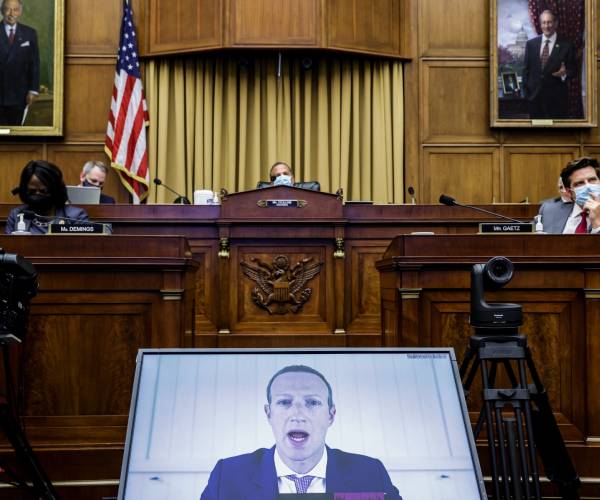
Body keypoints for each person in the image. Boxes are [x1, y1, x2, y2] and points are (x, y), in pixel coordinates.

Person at [200, 365, 402, 499]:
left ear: (331, 415)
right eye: (285, 402)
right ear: (268, 414)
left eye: (312, 402)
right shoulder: (227, 476)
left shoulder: (369, 472)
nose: (298, 414)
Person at [5, 160, 89, 234]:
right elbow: (8, 249)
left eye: (43, 191)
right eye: (32, 191)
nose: (37, 195)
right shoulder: (16, 215)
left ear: (55, 191)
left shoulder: (76, 217)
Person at [522, 10, 576, 119]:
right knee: (537, 134)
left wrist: (564, 74)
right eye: (544, 22)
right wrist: (527, 94)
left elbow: (573, 70)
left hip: (557, 102)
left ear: (556, 23)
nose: (546, 26)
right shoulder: (531, 44)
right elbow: (525, 71)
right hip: (534, 101)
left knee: (556, 135)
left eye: (549, 22)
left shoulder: (567, 45)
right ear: (540, 24)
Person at [0, 0, 39, 126]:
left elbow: (35, 63)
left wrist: (33, 90)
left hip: (20, 95)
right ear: (1, 11)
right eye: (7, 9)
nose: (11, 13)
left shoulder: (30, 33)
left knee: (16, 135)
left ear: (20, 11)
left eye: (15, 9)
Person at [537, 157, 600, 234]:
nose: (588, 186)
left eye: (592, 180)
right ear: (569, 191)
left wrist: (597, 224)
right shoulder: (549, 210)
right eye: (579, 183)